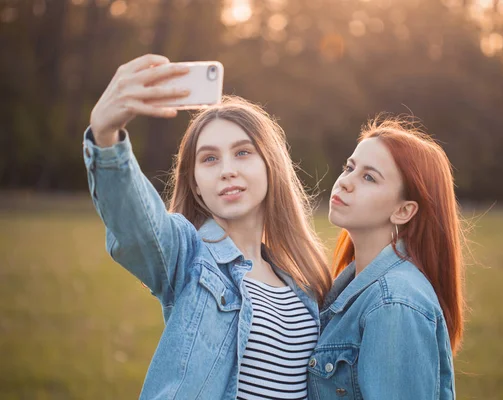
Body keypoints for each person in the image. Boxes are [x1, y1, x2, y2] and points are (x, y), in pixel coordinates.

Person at [83, 54, 332, 399]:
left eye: (243, 152)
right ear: (197, 183)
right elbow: (138, 227)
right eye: (210, 158)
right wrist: (105, 136)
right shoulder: (189, 258)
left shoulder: (304, 281)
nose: (227, 169)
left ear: (270, 166)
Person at [307, 117, 464, 399]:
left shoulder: (393, 303)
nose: (345, 182)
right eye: (349, 168)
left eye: (369, 177)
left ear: (403, 211)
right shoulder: (354, 285)